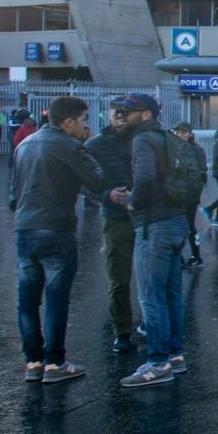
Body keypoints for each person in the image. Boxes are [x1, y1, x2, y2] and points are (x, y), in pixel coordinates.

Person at [10, 96, 122, 385]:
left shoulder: (24, 145)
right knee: (57, 299)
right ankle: (55, 362)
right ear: (69, 121)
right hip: (57, 228)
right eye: (84, 120)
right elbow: (96, 180)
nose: (86, 125)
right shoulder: (70, 146)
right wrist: (86, 149)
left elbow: (14, 195)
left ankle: (33, 361)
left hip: (24, 228)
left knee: (27, 299)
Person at [118, 94, 197, 388]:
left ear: (147, 114)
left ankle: (157, 362)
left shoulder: (143, 140)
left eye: (130, 111)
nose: (124, 115)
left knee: (151, 295)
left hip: (155, 224)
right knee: (171, 294)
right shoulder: (168, 138)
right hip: (177, 221)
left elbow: (145, 176)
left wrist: (132, 203)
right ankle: (175, 355)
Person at [83, 103, 141, 354]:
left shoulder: (145, 139)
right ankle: (123, 330)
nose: (120, 117)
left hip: (149, 216)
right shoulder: (95, 146)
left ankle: (151, 325)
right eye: (116, 112)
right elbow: (83, 181)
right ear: (109, 115)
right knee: (119, 278)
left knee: (153, 279)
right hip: (116, 218)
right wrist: (106, 195)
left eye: (125, 113)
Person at [171, 124, 208, 269]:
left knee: (185, 225)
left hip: (187, 194)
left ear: (190, 134)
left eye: (183, 132)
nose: (180, 135)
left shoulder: (188, 149)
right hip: (188, 193)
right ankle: (194, 256)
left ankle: (192, 256)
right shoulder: (192, 149)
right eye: (177, 132)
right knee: (187, 224)